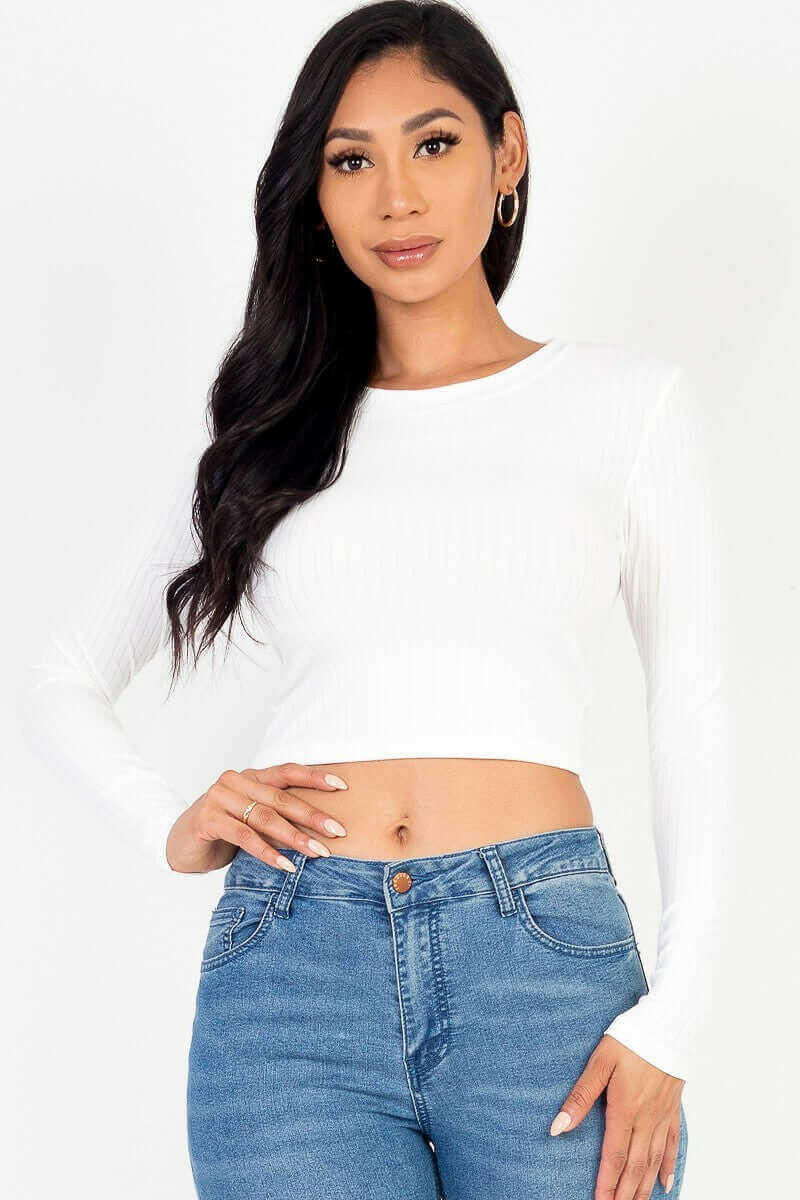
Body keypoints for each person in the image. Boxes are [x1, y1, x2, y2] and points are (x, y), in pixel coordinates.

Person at [18, 3, 732, 1198]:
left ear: (506, 154)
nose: (396, 197)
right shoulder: (265, 437)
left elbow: (691, 715)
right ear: (313, 193)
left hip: (543, 971)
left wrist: (676, 1019)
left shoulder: (625, 405)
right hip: (291, 988)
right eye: (350, 161)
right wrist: (166, 822)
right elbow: (61, 680)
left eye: (433, 144)